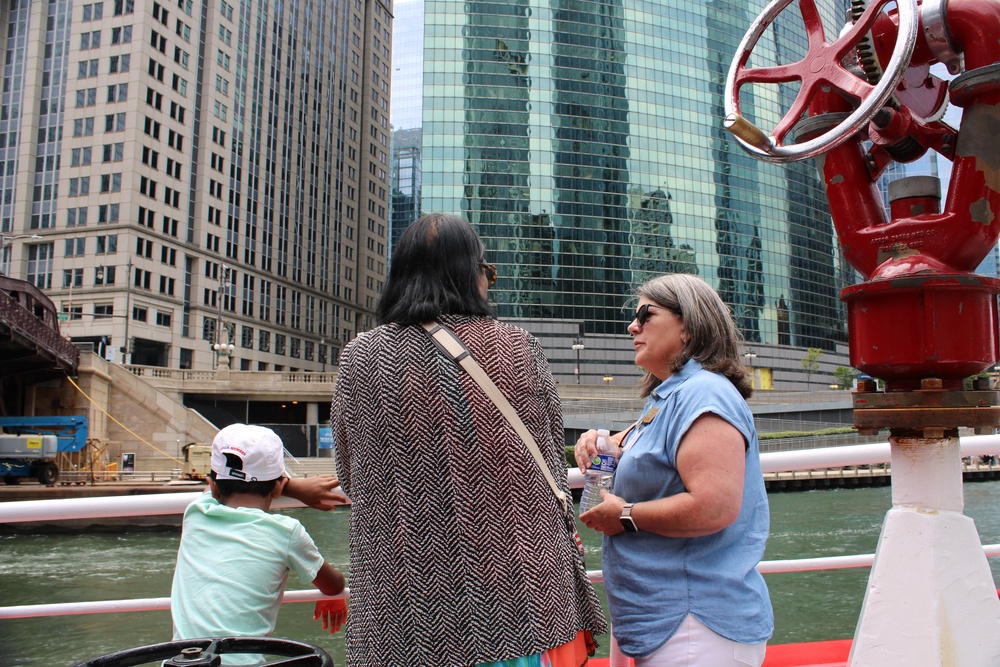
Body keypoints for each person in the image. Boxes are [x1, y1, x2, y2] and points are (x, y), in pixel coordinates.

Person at [331, 213, 607, 667]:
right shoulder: (519, 347)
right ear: (470, 274)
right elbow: (551, 460)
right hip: (524, 592)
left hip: (404, 601)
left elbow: (349, 470)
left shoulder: (361, 355)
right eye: (487, 272)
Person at [576, 274, 773, 667]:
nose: (633, 326)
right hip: (670, 624)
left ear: (687, 326)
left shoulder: (705, 393)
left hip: (696, 624)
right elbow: (634, 464)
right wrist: (600, 444)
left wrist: (626, 517)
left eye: (645, 315)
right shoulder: (667, 399)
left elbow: (714, 507)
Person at [170, 423, 347, 664]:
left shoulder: (196, 512)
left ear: (213, 485)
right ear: (277, 487)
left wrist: (290, 488)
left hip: (183, 662)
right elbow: (333, 584)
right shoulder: (285, 531)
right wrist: (291, 487)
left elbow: (210, 488)